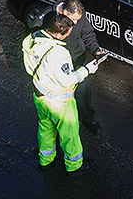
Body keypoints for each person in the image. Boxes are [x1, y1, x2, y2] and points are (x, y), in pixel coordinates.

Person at [22, 14, 105, 175]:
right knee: (70, 134)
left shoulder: (32, 38)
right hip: (59, 102)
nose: (69, 35)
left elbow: (30, 68)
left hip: (40, 95)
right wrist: (87, 70)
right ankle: (74, 166)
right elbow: (67, 80)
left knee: (46, 128)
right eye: (68, 33)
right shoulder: (58, 53)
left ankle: (45, 160)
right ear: (59, 34)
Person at [29, 0, 105, 135]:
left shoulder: (78, 15)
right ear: (64, 12)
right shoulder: (46, 17)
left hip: (77, 59)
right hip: (56, 65)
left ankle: (88, 119)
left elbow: (87, 33)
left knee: (83, 92)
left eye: (78, 20)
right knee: (59, 98)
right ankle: (58, 126)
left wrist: (95, 50)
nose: (75, 23)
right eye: (73, 20)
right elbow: (35, 40)